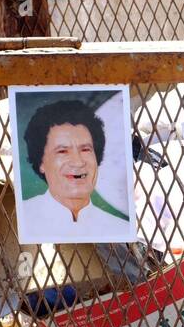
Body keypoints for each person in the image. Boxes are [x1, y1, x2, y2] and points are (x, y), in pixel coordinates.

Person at [21, 98, 130, 236]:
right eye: (62, 151)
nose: (78, 162)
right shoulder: (21, 221)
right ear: (41, 161)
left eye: (85, 149)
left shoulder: (121, 230)